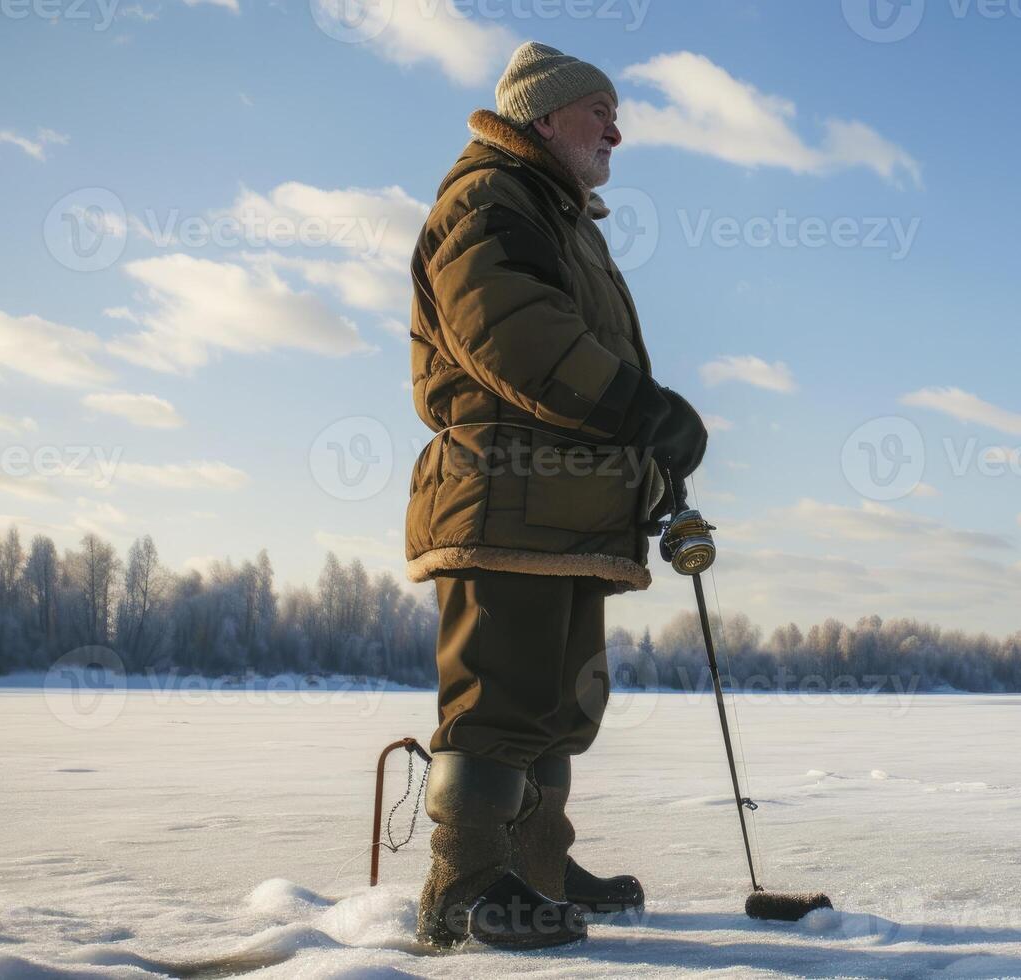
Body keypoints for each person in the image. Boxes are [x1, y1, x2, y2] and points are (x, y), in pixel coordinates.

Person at [402, 40, 708, 949]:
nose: (617, 130)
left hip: (563, 507)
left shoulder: (560, 214)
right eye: (598, 112)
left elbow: (574, 356)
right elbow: (517, 338)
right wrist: (641, 408)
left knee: (560, 702)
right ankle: (463, 886)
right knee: (500, 697)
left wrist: (647, 459)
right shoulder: (489, 197)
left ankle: (534, 865)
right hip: (504, 497)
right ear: (543, 116)